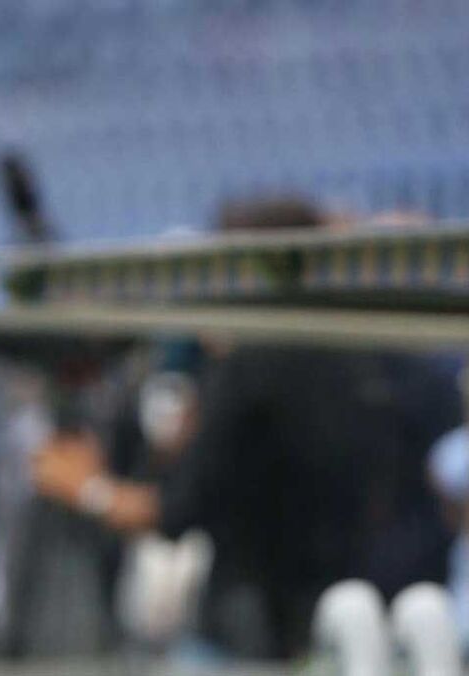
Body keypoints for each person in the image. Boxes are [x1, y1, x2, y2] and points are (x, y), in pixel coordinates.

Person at [32, 198, 460, 659]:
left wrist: (86, 488)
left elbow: (175, 510)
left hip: (253, 632)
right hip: (356, 616)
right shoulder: (384, 361)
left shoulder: (252, 365)